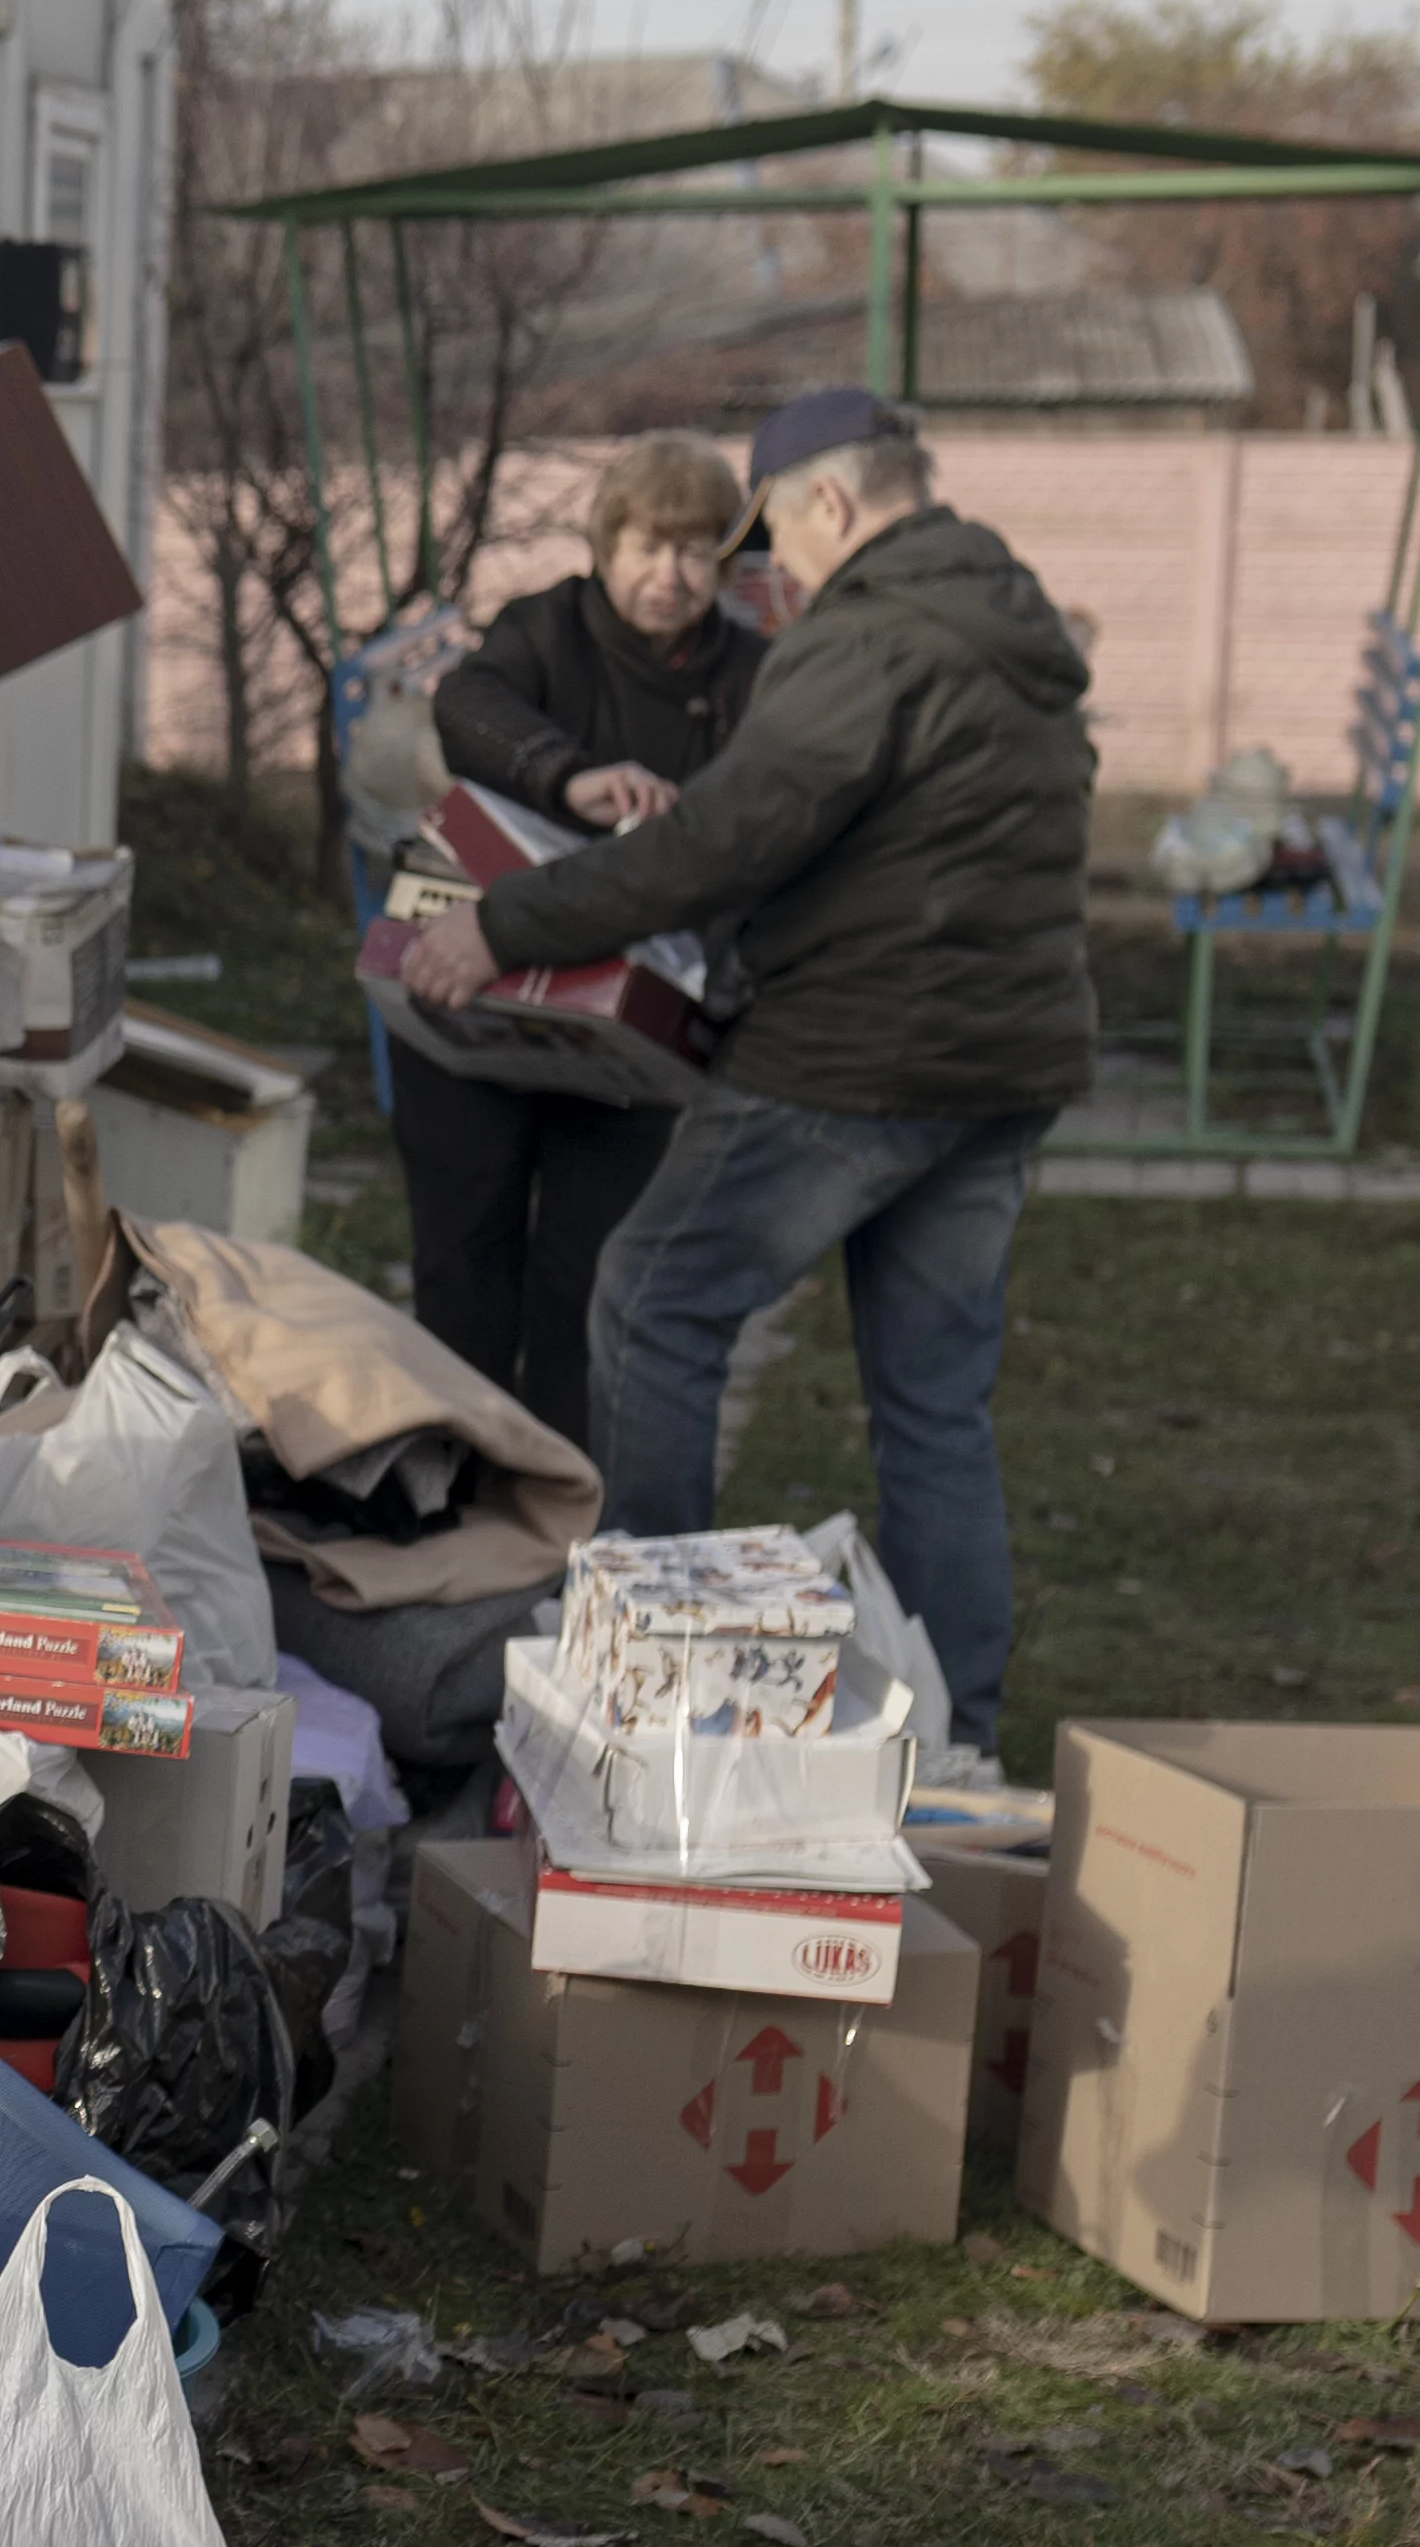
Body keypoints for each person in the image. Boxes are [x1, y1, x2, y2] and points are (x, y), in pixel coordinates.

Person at [391, 386, 1094, 1767]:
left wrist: (499, 927)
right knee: (935, 1406)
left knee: (652, 1300)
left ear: (829, 502)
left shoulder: (867, 642)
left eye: (773, 538)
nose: (773, 571)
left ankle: (644, 1694)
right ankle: (959, 1745)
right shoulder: (1007, 625)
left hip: (863, 1056)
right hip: (1003, 1065)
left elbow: (720, 843)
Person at [386, 432, 764, 1448]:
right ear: (603, 543)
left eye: (693, 553)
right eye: (645, 546)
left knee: (586, 1280)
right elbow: (464, 702)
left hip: (626, 1038)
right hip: (470, 1006)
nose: (666, 576)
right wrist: (566, 776)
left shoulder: (752, 676)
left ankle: (558, 1503)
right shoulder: (543, 628)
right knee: (462, 1263)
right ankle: (453, 1494)